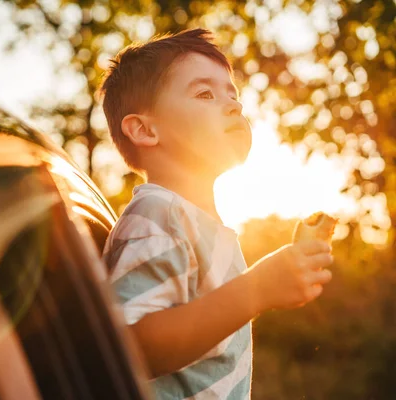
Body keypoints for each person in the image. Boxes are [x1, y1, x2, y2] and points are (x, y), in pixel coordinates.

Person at [99, 28, 334, 399]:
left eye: (233, 95)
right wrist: (258, 289)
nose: (233, 106)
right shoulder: (156, 215)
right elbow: (136, 344)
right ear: (144, 129)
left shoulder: (199, 224)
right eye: (205, 93)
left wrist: (280, 280)